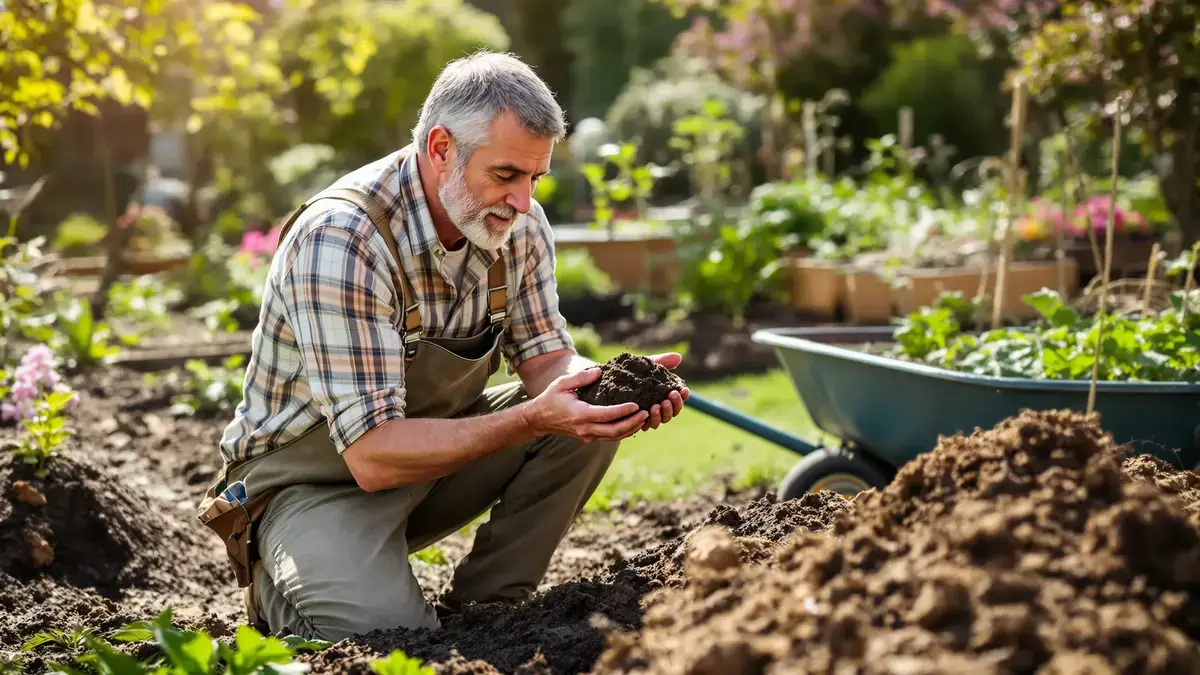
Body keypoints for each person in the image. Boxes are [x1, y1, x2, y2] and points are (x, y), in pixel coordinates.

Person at [196, 50, 688, 642]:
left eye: (536, 178)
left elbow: (548, 359)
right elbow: (373, 456)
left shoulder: (517, 226)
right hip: (312, 485)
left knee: (578, 428)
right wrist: (533, 418)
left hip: (431, 454)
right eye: (506, 175)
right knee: (389, 639)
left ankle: (490, 617)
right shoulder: (343, 240)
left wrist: (608, 391)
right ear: (440, 149)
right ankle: (286, 582)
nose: (524, 201)